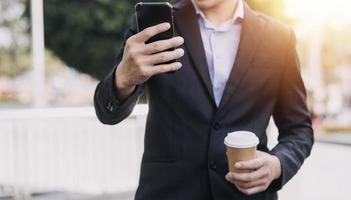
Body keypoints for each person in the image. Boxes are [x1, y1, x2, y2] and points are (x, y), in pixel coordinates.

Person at [94, 0, 314, 199]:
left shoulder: (278, 37)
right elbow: (107, 112)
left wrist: (278, 164)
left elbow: (299, 129)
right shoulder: (157, 26)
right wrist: (122, 79)